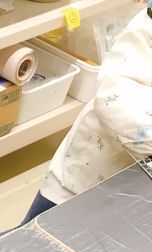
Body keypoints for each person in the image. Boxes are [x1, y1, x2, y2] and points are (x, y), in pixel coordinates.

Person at [21, 5, 152, 224]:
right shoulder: (147, 30)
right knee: (35, 235)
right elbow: (113, 100)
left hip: (135, 197)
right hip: (89, 176)